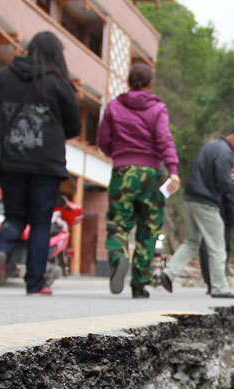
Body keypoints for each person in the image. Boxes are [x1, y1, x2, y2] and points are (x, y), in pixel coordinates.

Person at [0, 31, 81, 295]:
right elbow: (74, 125)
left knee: (14, 216)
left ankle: (2, 252)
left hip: (11, 160)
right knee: (40, 222)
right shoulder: (59, 83)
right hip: (45, 164)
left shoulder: (5, 75)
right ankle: (34, 283)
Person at [98, 62, 180, 298]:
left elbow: (103, 140)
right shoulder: (157, 108)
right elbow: (164, 139)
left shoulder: (114, 106)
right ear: (151, 84)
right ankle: (139, 283)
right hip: (151, 174)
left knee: (118, 223)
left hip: (122, 170)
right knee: (149, 227)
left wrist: (119, 154)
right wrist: (172, 169)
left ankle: (119, 258)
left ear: (128, 82)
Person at [160, 125, 234, 299]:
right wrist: (230, 182)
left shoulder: (210, 146)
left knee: (192, 241)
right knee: (218, 246)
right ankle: (219, 287)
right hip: (206, 202)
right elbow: (221, 179)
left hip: (190, 199)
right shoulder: (225, 152)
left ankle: (169, 273)